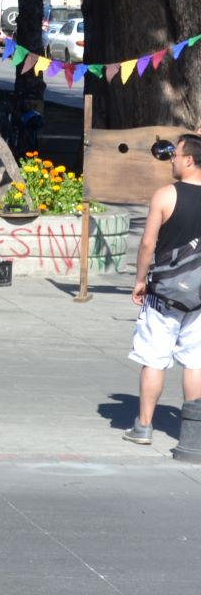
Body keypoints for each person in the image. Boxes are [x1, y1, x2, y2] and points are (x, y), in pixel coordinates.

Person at [122, 133, 201, 445]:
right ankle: (192, 429)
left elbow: (147, 243)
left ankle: (143, 426)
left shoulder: (165, 195)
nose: (171, 159)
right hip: (199, 295)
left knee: (154, 359)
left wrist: (140, 279)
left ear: (189, 160)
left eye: (176, 155)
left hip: (163, 294)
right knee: (195, 361)